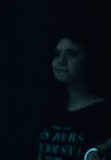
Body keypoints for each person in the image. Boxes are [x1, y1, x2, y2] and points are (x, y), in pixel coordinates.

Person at [37, 27, 111, 160]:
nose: (61, 61)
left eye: (72, 54)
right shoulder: (49, 109)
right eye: (57, 54)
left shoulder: (104, 112)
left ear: (90, 60)